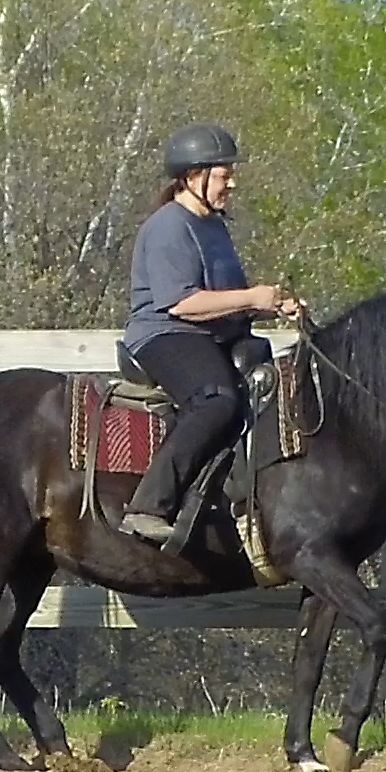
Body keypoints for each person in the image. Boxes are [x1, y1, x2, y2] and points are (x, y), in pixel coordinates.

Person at [119, 122, 302, 543]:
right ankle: (149, 504)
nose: (232, 183)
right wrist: (253, 297)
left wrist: (274, 304)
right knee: (217, 401)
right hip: (165, 334)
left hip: (208, 333)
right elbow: (181, 303)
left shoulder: (213, 225)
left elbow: (227, 297)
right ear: (193, 177)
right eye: (223, 174)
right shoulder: (169, 227)